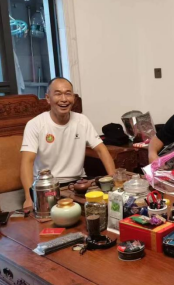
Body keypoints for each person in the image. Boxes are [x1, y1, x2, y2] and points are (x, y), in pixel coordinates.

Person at [20, 77, 116, 209]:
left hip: (78, 182)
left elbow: (101, 150)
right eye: (58, 94)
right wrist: (29, 197)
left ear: (74, 98)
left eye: (68, 93)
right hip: (47, 186)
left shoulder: (82, 120)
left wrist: (113, 180)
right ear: (48, 98)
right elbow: (27, 161)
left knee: (103, 207)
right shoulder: (35, 124)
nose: (64, 99)